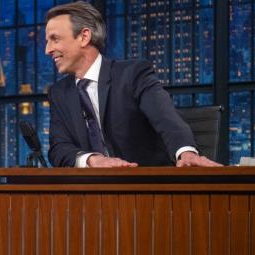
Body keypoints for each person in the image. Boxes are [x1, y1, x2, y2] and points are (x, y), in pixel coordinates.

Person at [45, 1, 222, 168]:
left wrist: (186, 152)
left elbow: (166, 119)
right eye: (47, 41)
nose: (48, 49)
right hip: (93, 191)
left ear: (84, 37)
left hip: (146, 189)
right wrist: (92, 160)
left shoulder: (133, 74)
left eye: (55, 39)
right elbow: (59, 148)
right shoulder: (59, 93)